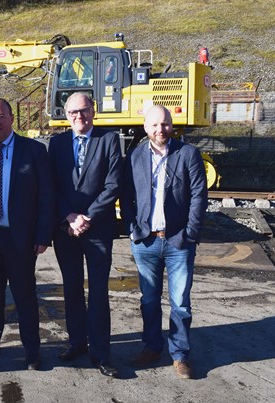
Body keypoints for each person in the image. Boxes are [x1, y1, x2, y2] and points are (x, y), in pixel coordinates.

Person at [121, 105, 207, 379]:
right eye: (155, 125)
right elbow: (126, 196)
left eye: (165, 124)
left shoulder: (188, 154)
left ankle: (180, 355)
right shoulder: (135, 156)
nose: (161, 130)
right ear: (145, 128)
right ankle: (152, 347)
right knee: (149, 299)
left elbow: (198, 197)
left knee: (180, 302)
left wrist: (189, 234)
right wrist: (133, 229)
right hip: (145, 241)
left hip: (178, 241)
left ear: (172, 125)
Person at [0, 98, 54, 370]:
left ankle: (32, 350)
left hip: (21, 239)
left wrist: (42, 236)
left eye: (1, 116)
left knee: (25, 294)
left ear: (12, 118)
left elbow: (46, 196)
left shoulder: (34, 150)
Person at [48, 92, 122, 377]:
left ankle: (101, 352)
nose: (79, 116)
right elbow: (51, 185)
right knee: (72, 288)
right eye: (73, 112)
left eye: (84, 110)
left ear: (94, 111)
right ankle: (77, 342)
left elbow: (113, 185)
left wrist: (86, 217)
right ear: (66, 115)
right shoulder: (57, 144)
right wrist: (68, 216)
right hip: (66, 230)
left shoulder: (109, 140)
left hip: (97, 229)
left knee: (99, 292)